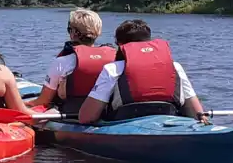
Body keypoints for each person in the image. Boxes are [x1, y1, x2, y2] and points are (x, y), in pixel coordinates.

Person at [77, 19, 209, 125]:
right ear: (149, 41)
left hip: (125, 123)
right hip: (168, 120)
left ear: (119, 44)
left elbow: (86, 117)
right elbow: (197, 113)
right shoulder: (176, 67)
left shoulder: (113, 69)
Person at [25, 8, 116, 114]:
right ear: (98, 32)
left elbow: (43, 101)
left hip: (71, 112)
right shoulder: (115, 59)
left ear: (73, 33)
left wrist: (25, 104)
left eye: (69, 29)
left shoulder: (62, 62)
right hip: (104, 111)